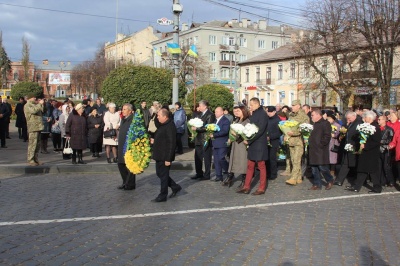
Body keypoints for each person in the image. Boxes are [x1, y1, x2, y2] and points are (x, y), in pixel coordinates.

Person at [236, 97, 269, 195]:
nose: (250, 107)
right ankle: (246, 186)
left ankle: (261, 188)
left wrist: (249, 140)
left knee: (261, 166)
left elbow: (260, 130)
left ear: (256, 104)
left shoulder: (262, 114)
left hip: (259, 144)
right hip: (253, 144)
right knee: (250, 166)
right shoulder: (254, 113)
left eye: (251, 105)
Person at [149, 108, 182, 202]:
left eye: (159, 116)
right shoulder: (163, 124)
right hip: (160, 155)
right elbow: (161, 136)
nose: (158, 117)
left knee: (163, 176)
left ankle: (163, 195)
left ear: (165, 117)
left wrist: (168, 159)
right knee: (160, 173)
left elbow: (171, 143)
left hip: (165, 156)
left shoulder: (170, 126)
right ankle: (175, 187)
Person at [346, 111, 381, 193]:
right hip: (365, 153)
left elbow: (376, 141)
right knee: (362, 170)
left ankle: (377, 187)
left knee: (372, 171)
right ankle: (357, 186)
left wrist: (366, 146)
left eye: (365, 118)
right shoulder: (365, 126)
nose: (364, 119)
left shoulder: (375, 127)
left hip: (371, 153)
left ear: (369, 118)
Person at [308, 109, 335, 190]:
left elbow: (327, 136)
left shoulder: (325, 123)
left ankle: (330, 180)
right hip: (313, 149)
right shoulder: (314, 124)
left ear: (318, 115)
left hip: (320, 149)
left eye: (312, 115)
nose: (311, 117)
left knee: (322, 167)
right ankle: (317, 184)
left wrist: (321, 144)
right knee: (314, 168)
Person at [285, 100, 310, 186]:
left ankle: (293, 178)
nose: (292, 107)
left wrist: (294, 133)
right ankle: (299, 177)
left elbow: (305, 129)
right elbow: (287, 125)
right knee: (293, 159)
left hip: (299, 141)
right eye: (292, 105)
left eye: (294, 105)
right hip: (291, 140)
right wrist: (286, 134)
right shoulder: (291, 115)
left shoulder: (304, 116)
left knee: (296, 159)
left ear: (298, 106)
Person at [334, 111, 363, 186]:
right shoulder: (348, 123)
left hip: (355, 146)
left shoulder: (359, 123)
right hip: (347, 146)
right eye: (347, 119)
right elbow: (344, 132)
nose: (348, 120)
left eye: (349, 118)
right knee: (345, 163)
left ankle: (359, 181)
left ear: (354, 116)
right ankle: (339, 180)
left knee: (354, 164)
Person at [224, 105, 250, 187]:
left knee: (243, 161)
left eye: (238, 111)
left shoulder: (247, 121)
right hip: (235, 144)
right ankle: (230, 177)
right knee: (234, 160)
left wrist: (237, 135)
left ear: (243, 111)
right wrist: (231, 138)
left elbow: (247, 134)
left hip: (242, 144)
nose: (236, 112)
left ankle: (244, 180)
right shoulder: (236, 120)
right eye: (235, 111)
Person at [191, 100, 215, 181]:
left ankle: (207, 174)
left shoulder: (210, 115)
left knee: (207, 157)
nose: (199, 107)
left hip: (205, 138)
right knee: (197, 157)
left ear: (205, 106)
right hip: (198, 138)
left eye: (200, 106)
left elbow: (208, 127)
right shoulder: (200, 114)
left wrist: (197, 129)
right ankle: (199, 173)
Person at [117, 103, 136, 190]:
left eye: (124, 109)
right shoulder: (123, 119)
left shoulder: (133, 120)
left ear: (130, 111)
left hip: (129, 146)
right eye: (122, 109)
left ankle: (130, 184)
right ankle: (125, 182)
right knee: (121, 164)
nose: (122, 111)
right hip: (121, 145)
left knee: (130, 166)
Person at [24, 93, 44, 166]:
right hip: (33, 127)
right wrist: (39, 104)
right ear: (29, 98)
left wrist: (41, 104)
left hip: (38, 127)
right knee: (32, 144)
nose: (35, 98)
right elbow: (33, 111)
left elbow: (41, 111)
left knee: (37, 145)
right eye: (33, 97)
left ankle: (36, 159)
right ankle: (30, 159)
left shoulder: (35, 104)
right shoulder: (27, 105)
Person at [210, 107, 230, 182]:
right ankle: (219, 176)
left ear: (222, 112)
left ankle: (229, 171)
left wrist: (214, 135)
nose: (215, 113)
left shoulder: (225, 120)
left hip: (222, 142)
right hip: (215, 143)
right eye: (215, 112)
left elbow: (225, 131)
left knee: (221, 158)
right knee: (216, 160)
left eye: (217, 112)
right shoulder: (215, 120)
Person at [378, 115, 394, 187]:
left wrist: (380, 141)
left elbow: (390, 139)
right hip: (378, 149)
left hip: (385, 150)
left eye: (380, 119)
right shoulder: (377, 129)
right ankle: (382, 181)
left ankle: (391, 180)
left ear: (384, 120)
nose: (378, 121)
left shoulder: (389, 129)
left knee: (386, 166)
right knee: (379, 166)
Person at [266, 106, 281, 180]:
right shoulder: (266, 118)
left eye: (270, 112)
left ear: (274, 112)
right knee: (267, 158)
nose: (269, 113)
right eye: (268, 112)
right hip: (266, 141)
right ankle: (267, 173)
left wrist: (270, 137)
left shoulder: (277, 120)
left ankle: (273, 174)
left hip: (274, 141)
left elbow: (279, 132)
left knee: (272, 158)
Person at [326, 112, 341, 176]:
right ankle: (328, 169)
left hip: (333, 142)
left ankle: (332, 170)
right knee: (328, 156)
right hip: (328, 142)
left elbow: (335, 134)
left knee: (333, 157)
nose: (328, 120)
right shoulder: (327, 125)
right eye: (327, 119)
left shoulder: (336, 125)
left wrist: (333, 135)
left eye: (329, 119)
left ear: (333, 119)